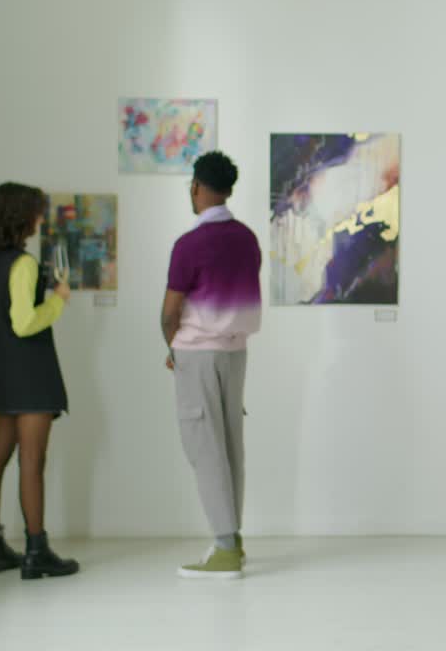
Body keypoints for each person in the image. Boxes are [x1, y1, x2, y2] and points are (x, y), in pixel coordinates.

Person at [161, 151, 261, 579]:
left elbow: (169, 312)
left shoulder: (189, 245)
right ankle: (232, 540)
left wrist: (174, 346)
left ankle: (223, 548)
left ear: (198, 187)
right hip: (236, 353)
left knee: (205, 448)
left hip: (197, 354)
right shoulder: (247, 238)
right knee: (229, 446)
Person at [0, 182, 79, 579]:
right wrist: (58, 299)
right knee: (32, 461)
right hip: (30, 375)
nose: (39, 219)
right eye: (36, 211)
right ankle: (37, 550)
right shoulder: (23, 263)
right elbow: (23, 322)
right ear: (22, 216)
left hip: (0, 375)